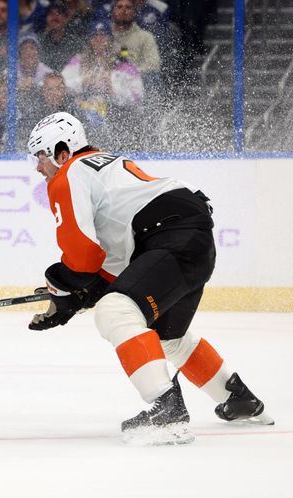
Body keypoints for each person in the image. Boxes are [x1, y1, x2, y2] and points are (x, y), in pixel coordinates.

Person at [25, 112, 273, 445]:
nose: (38, 168)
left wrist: (61, 285)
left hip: (172, 239)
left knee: (114, 312)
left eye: (40, 157)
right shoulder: (104, 168)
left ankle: (167, 409)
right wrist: (80, 296)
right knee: (167, 338)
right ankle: (238, 399)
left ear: (62, 152)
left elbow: (83, 257)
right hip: (191, 240)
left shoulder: (67, 175)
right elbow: (116, 266)